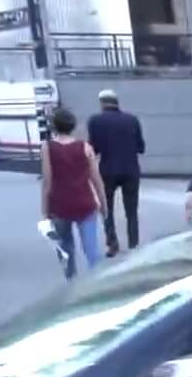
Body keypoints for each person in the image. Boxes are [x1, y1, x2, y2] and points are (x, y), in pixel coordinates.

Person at [39, 106, 108, 280]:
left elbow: (47, 180)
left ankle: (72, 284)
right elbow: (96, 179)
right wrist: (104, 204)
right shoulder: (85, 147)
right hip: (85, 204)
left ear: (54, 126)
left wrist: (45, 210)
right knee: (91, 250)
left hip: (60, 206)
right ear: (73, 126)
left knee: (65, 249)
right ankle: (98, 284)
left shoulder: (47, 148)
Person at [87, 88, 143, 256]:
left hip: (108, 170)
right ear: (117, 102)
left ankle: (113, 244)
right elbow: (141, 147)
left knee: (106, 208)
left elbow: (94, 149)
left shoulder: (95, 121)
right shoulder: (132, 120)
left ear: (102, 103)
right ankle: (134, 245)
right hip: (131, 169)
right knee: (131, 210)